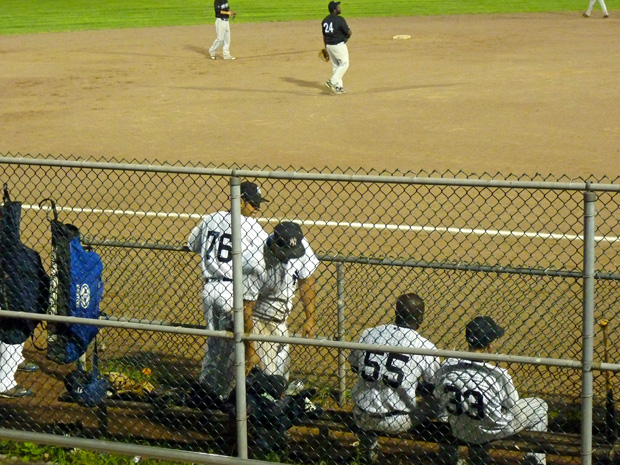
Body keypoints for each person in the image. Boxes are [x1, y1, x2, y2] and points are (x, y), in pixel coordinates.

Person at [187, 181, 269, 400]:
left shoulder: (211, 218)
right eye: (252, 204)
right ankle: (225, 396)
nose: (256, 209)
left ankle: (205, 392)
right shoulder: (253, 228)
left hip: (209, 291)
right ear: (240, 200)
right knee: (235, 347)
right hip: (232, 292)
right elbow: (270, 253)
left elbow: (191, 244)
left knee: (213, 347)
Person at [432, 316, 548, 465]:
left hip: (459, 428)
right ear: (489, 346)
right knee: (540, 406)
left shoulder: (448, 366)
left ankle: (457, 461)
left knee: (450, 410)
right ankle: (534, 462)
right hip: (493, 431)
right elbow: (512, 403)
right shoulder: (497, 374)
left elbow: (437, 393)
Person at [348, 293, 440, 463]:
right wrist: (412, 385)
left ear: (396, 313)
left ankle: (367, 451)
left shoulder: (370, 333)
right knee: (441, 404)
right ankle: (450, 457)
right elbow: (435, 388)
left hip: (361, 416)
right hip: (397, 421)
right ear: (420, 318)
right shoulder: (425, 347)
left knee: (370, 393)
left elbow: (354, 366)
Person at [247, 221, 319, 379]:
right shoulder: (255, 260)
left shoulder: (300, 243)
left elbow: (306, 282)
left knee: (280, 379)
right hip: (259, 323)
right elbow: (246, 308)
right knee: (268, 380)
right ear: (274, 244)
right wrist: (251, 347)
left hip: (281, 323)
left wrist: (310, 319)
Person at [322, 1, 352, 95]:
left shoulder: (325, 20)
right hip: (338, 45)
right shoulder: (339, 19)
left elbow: (324, 35)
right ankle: (332, 82)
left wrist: (326, 47)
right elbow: (349, 32)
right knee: (344, 64)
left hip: (329, 45)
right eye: (338, 7)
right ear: (334, 10)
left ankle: (338, 87)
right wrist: (346, 37)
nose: (340, 8)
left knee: (336, 65)